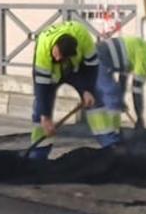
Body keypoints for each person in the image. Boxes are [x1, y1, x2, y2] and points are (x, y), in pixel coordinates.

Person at [30, 20, 107, 159]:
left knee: (97, 101)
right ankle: (38, 156)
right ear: (55, 46)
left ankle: (110, 147)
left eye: (62, 57)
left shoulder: (84, 38)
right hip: (51, 75)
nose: (58, 58)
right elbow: (41, 87)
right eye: (56, 54)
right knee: (40, 110)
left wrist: (87, 90)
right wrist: (45, 117)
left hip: (75, 71)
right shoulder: (43, 45)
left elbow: (92, 67)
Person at [95, 35, 146, 143]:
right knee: (111, 95)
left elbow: (123, 77)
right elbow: (136, 89)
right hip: (101, 58)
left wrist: (121, 99)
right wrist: (140, 117)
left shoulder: (141, 48)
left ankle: (115, 134)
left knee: (115, 98)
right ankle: (111, 140)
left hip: (103, 54)